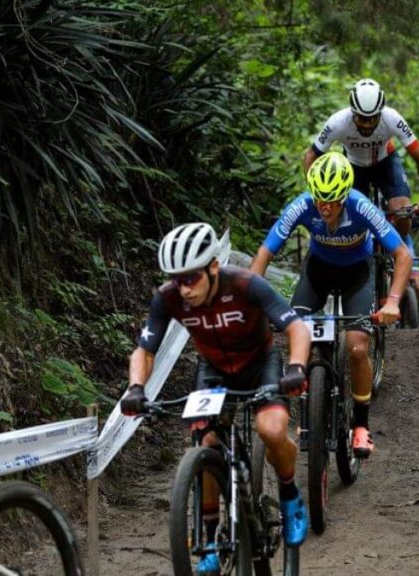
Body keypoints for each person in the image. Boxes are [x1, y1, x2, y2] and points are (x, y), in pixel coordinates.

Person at [121, 222, 311, 573]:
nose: (185, 288)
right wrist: (136, 388)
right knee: (204, 440)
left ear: (212, 267)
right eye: (178, 279)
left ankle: (289, 494)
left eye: (191, 278)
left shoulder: (245, 284)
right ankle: (210, 540)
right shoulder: (168, 297)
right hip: (214, 370)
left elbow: (295, 327)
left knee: (270, 429)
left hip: (260, 364)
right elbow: (145, 350)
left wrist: (297, 367)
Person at [252, 152, 410, 458]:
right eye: (320, 199)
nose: (325, 207)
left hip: (357, 273)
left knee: (357, 347)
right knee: (296, 335)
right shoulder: (302, 205)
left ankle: (361, 426)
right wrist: (252, 299)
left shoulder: (361, 205)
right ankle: (308, 408)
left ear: (345, 195)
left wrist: (392, 301)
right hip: (318, 271)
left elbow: (402, 254)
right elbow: (264, 253)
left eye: (333, 200)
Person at [303, 79, 419, 243]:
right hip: (353, 168)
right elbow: (311, 156)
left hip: (385, 163)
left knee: (402, 213)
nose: (367, 124)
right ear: (352, 112)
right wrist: (316, 195)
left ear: (381, 112)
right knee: (352, 221)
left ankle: (396, 251)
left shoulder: (392, 118)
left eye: (373, 118)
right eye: (361, 118)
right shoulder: (338, 122)